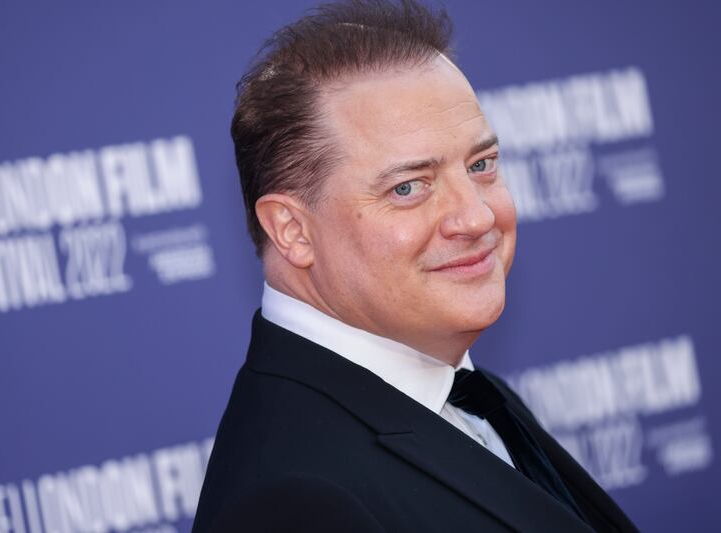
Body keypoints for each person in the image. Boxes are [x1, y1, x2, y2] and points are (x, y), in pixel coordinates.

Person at [193, 1, 639, 531]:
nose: (476, 217)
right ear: (293, 230)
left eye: (481, 165)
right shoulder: (294, 502)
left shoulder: (464, 391)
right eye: (408, 187)